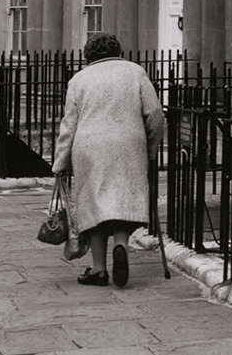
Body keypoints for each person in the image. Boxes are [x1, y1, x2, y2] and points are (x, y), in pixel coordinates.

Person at [52, 33, 164, 287]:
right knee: (122, 200)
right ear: (118, 50)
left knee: (95, 205)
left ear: (88, 55)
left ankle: (99, 269)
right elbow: (155, 114)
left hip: (89, 148)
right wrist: (151, 147)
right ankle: (121, 246)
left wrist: (60, 162)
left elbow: (69, 125)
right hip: (128, 145)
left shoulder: (79, 79)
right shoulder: (135, 72)